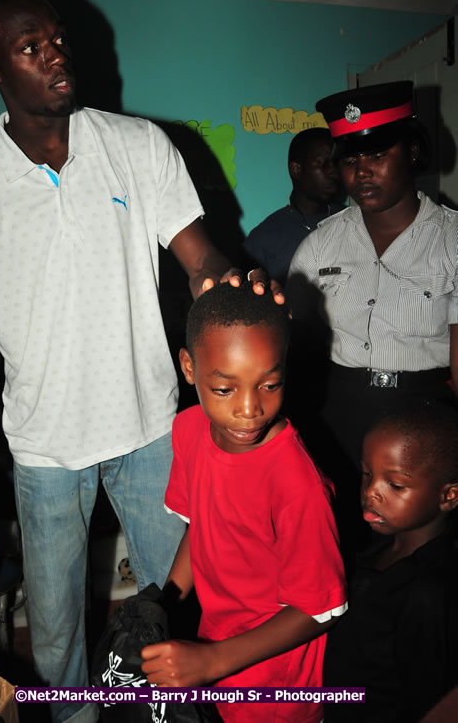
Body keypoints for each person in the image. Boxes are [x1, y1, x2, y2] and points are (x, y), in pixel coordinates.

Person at [0, 0, 281, 723]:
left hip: (151, 426)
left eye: (57, 37)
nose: (55, 51)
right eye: (31, 45)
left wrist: (233, 290)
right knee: (57, 643)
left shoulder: (138, 145)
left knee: (180, 601)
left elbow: (199, 258)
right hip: (45, 449)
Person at [141, 282, 347, 723]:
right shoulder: (190, 430)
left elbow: (320, 609)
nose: (250, 409)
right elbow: (200, 525)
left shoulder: (297, 483)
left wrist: (212, 661)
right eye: (225, 390)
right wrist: (165, 604)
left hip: (275, 673)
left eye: (269, 384)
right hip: (216, 642)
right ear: (190, 368)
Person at [287, 81, 458, 485]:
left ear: (412, 151)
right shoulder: (320, 245)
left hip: (424, 415)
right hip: (335, 416)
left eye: (378, 155)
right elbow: (295, 341)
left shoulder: (451, 240)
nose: (362, 171)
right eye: (349, 161)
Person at [324, 400, 458, 722]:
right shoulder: (373, 547)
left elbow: (429, 702)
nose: (371, 492)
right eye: (367, 474)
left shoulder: (430, 595)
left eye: (395, 485)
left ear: (448, 496)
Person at [244, 127, 342, 285]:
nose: (334, 172)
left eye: (336, 163)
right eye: (322, 164)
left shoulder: (356, 222)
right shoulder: (264, 238)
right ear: (296, 169)